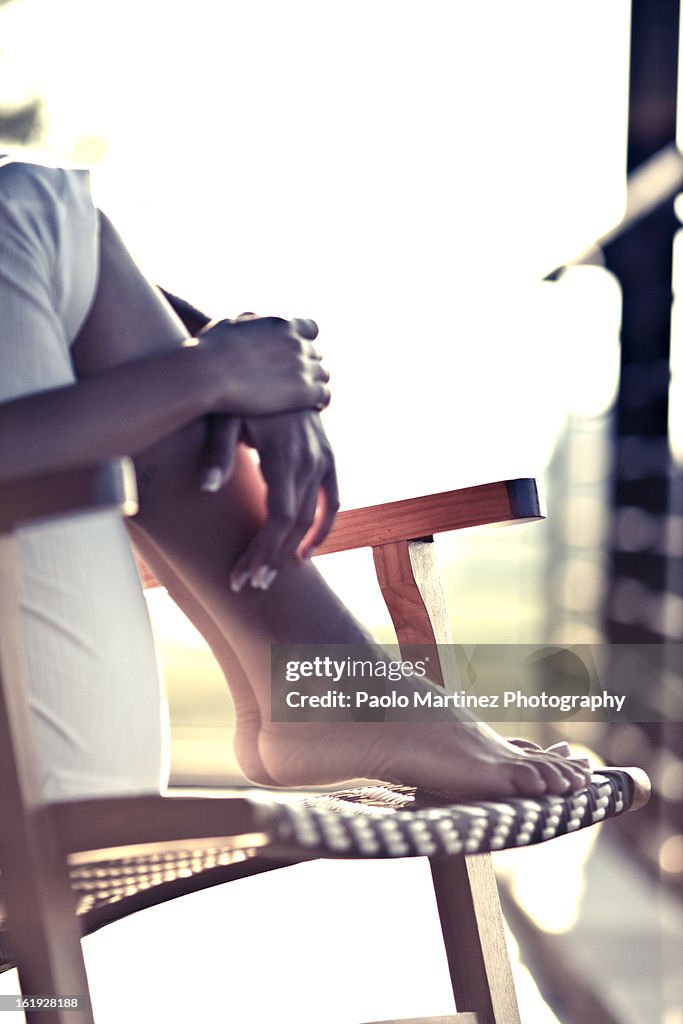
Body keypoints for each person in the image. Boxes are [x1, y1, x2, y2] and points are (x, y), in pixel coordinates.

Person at [0, 155, 592, 802]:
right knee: (29, 204)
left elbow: (72, 268)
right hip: (33, 786)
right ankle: (336, 688)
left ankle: (321, 688)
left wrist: (237, 359)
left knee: (36, 209)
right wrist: (206, 379)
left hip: (52, 742)